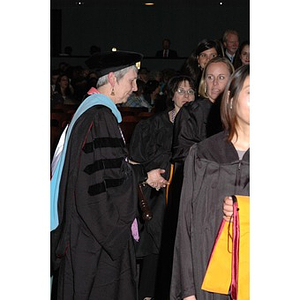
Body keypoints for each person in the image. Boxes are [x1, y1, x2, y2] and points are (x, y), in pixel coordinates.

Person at [50, 50, 169, 300]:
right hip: (95, 240)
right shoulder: (100, 118)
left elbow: (108, 170)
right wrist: (118, 232)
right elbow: (100, 185)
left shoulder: (89, 112)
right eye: (131, 80)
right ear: (113, 79)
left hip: (85, 232)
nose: (136, 88)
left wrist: (140, 174)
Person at [170, 64, 250, 300]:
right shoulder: (203, 154)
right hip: (206, 276)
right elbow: (184, 226)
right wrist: (187, 290)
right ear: (232, 99)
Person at [129, 75, 196, 300]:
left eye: (190, 91)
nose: (186, 96)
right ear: (172, 95)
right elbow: (135, 164)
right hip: (155, 199)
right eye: (181, 91)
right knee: (156, 244)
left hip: (186, 199)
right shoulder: (152, 126)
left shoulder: (201, 127)